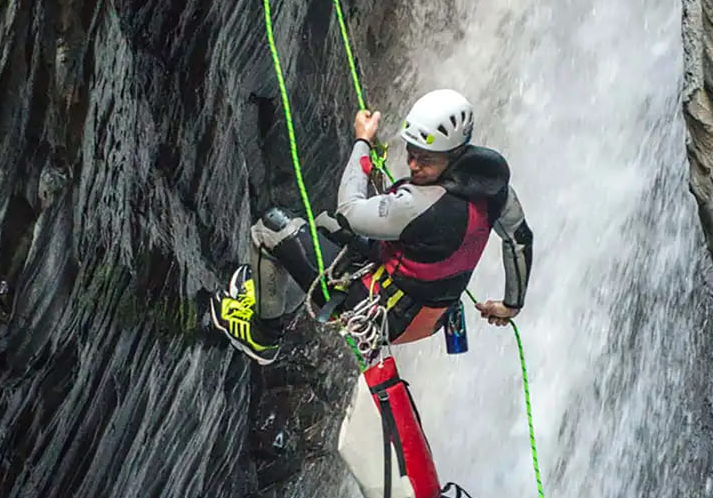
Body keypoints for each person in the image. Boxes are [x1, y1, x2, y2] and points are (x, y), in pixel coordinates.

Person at [210, 88, 533, 365]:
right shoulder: (492, 186)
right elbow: (519, 239)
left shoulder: (417, 204)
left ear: (454, 153)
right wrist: (511, 305)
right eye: (412, 152)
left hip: (385, 317)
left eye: (426, 159)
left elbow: (348, 210)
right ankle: (281, 296)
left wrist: (362, 141)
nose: (413, 165)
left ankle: (263, 336)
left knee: (271, 229)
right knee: (323, 226)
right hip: (432, 313)